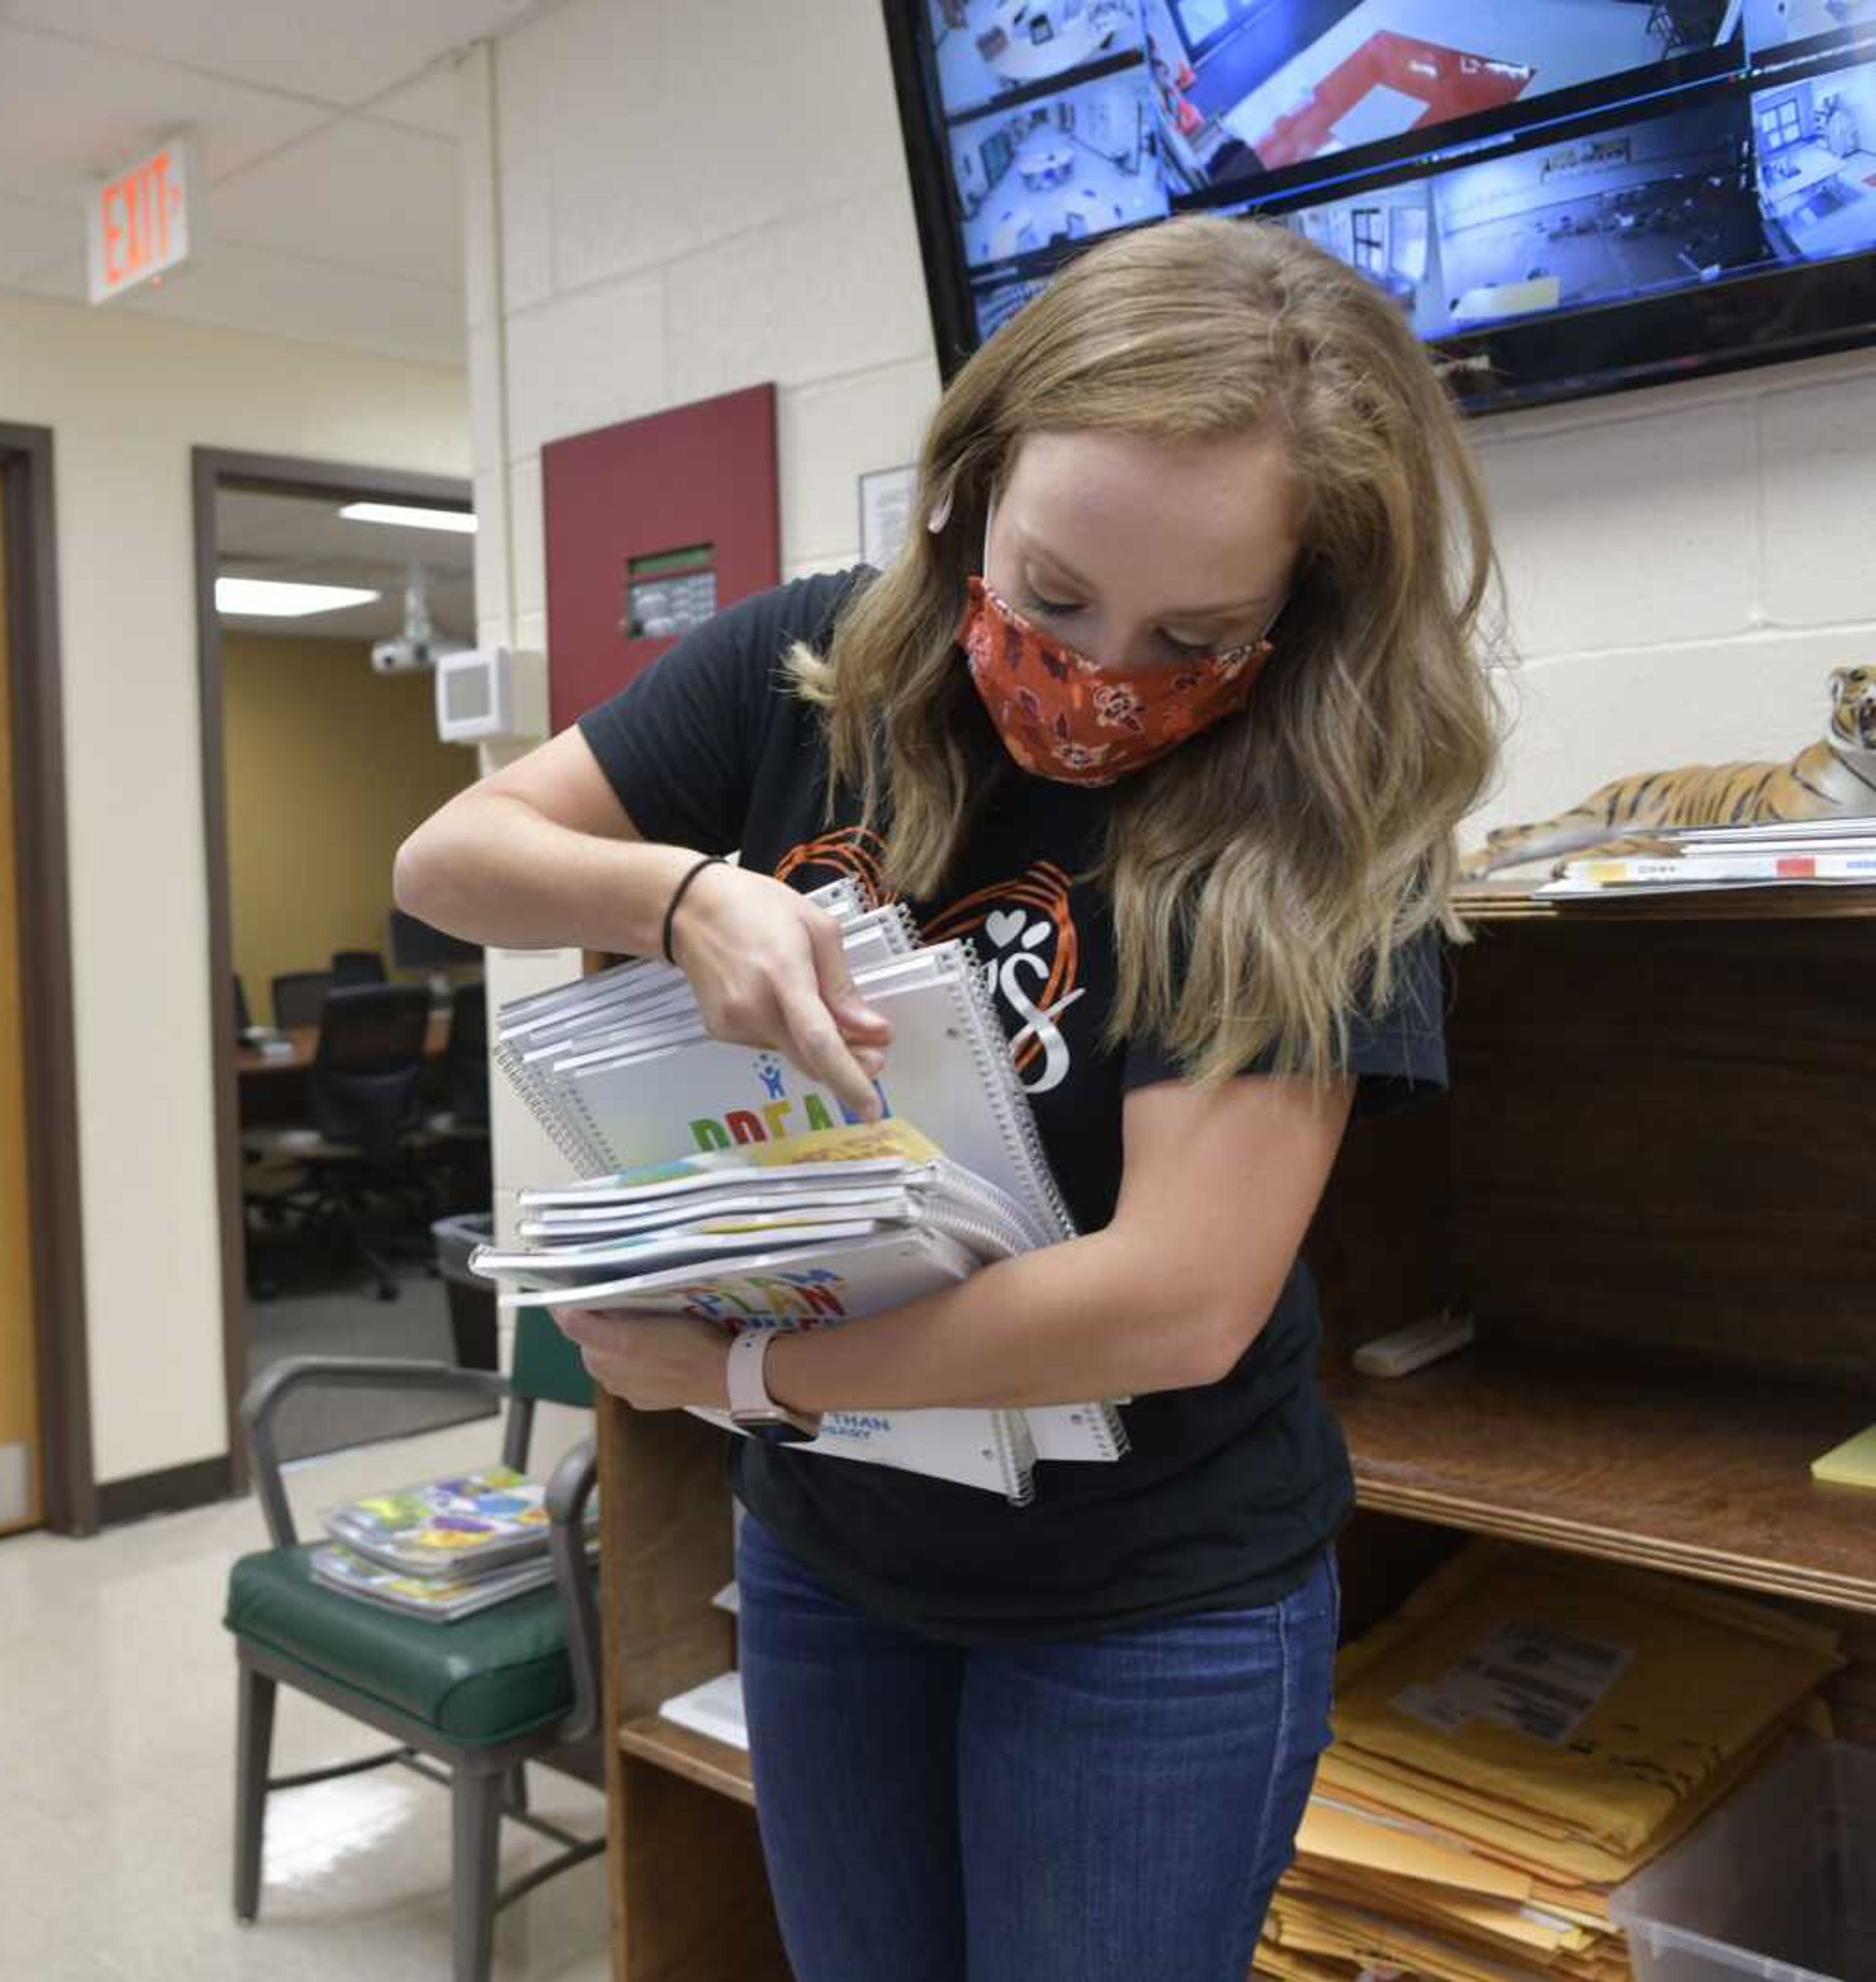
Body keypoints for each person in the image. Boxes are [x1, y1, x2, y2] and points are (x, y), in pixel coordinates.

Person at [394, 217, 1500, 1979]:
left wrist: (748, 1377)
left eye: (1193, 634)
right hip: (838, 1558)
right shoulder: (818, 658)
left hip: (1149, 1606)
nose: (1098, 674)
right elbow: (451, 859)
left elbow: (1180, 1301)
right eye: (1053, 594)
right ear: (971, 489)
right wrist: (676, 898)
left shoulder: (1315, 806)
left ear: (1298, 620)